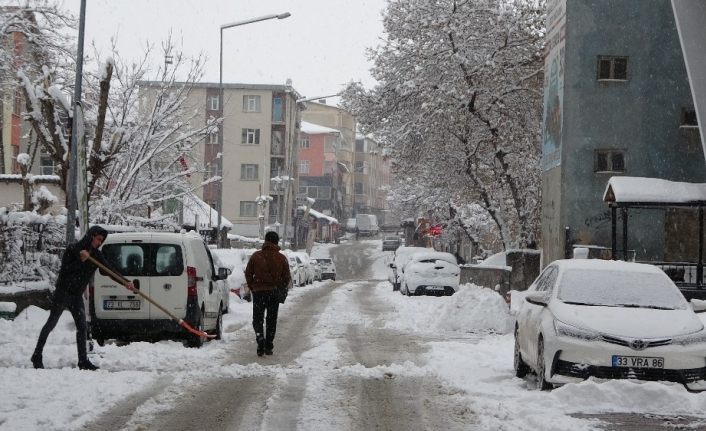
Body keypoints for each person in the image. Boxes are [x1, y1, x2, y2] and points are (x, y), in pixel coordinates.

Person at [31, 225, 135, 370]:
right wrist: (81, 259)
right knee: (51, 323)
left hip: (76, 295)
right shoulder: (73, 249)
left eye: (101, 241)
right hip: (63, 293)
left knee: (82, 327)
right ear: (91, 236)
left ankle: (83, 361)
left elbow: (109, 270)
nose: (99, 243)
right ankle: (37, 355)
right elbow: (66, 271)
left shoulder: (96, 255)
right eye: (98, 239)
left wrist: (125, 282)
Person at [244, 231, 291, 356]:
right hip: (274, 293)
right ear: (276, 242)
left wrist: (252, 286)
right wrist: (280, 288)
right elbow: (287, 277)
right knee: (271, 320)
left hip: (259, 292)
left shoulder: (256, 256)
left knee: (257, 319)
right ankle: (269, 345)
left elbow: (248, 272)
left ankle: (260, 337)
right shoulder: (281, 258)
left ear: (265, 241)